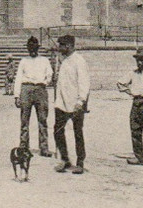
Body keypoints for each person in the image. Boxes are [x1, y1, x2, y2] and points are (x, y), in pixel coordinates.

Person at [53, 34, 91, 174]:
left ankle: (80, 162)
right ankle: (65, 160)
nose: (59, 48)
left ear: (68, 46)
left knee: (78, 133)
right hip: (61, 104)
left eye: (61, 45)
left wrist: (81, 101)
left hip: (76, 104)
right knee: (57, 131)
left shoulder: (79, 61)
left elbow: (84, 82)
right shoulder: (64, 61)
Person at [13, 35, 53, 156]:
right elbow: (18, 78)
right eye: (30, 48)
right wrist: (16, 95)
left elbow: (50, 74)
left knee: (42, 119)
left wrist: (45, 83)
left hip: (40, 89)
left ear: (38, 48)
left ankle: (44, 147)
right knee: (24, 120)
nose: (32, 50)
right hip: (26, 89)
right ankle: (24, 146)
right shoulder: (23, 61)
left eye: (34, 48)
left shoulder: (44, 60)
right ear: (27, 49)